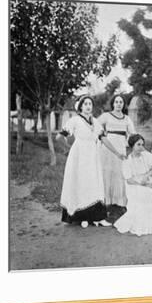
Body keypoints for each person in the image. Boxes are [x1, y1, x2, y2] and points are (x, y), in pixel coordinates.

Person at [58, 96, 125, 228]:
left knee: (94, 183)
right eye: (85, 104)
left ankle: (97, 217)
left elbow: (104, 139)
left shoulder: (95, 122)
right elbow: (59, 137)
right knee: (81, 184)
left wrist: (117, 153)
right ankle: (81, 217)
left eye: (90, 104)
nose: (88, 106)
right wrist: (68, 150)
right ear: (80, 106)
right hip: (79, 157)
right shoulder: (75, 120)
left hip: (93, 156)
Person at [114, 134, 152, 236]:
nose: (141, 147)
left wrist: (146, 176)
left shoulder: (146, 156)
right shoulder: (127, 161)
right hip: (134, 185)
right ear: (132, 146)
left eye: (142, 144)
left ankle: (151, 224)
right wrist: (142, 183)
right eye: (138, 144)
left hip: (146, 182)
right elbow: (129, 180)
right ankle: (139, 224)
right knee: (141, 192)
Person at [97, 95, 136, 210]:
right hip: (107, 147)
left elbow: (133, 134)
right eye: (116, 102)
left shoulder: (127, 119)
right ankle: (105, 200)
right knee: (107, 172)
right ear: (113, 103)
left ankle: (118, 202)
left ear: (124, 104)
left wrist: (131, 144)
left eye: (121, 102)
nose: (119, 104)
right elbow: (95, 126)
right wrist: (101, 135)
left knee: (119, 173)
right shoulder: (106, 116)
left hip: (120, 147)